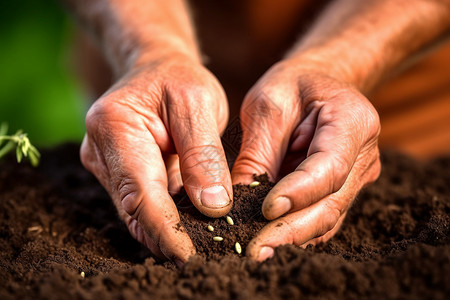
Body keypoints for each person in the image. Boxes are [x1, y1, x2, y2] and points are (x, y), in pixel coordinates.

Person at [63, 0, 450, 266]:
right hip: (147, 103)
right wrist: (149, 51)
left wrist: (336, 64)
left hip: (394, 110)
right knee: (131, 174)